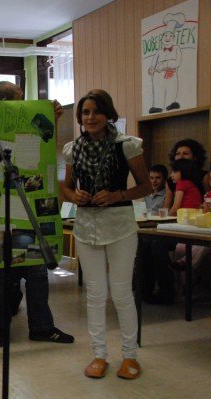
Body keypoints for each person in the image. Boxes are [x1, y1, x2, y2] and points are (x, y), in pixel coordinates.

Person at [0, 81, 73, 348]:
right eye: (19, 97)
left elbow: (44, 144)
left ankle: (42, 327)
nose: (24, 101)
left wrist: (52, 119)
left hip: (25, 215)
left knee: (37, 272)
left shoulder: (28, 120)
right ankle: (0, 329)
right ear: (5, 102)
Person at [61, 89, 150, 380]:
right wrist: (74, 196)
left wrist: (117, 195)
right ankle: (99, 355)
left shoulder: (127, 145)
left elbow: (146, 186)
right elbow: (66, 187)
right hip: (86, 227)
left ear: (108, 114)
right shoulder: (73, 149)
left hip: (120, 226)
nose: (91, 117)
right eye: (85, 112)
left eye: (97, 111)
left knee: (122, 293)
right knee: (95, 294)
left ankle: (130, 356)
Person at [147, 139, 208, 304]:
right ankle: (146, 288)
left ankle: (167, 290)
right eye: (178, 154)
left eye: (185, 153)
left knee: (157, 244)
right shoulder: (172, 182)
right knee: (146, 242)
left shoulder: (203, 177)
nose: (180, 156)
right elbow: (168, 206)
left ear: (195, 157)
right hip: (176, 223)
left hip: (191, 224)